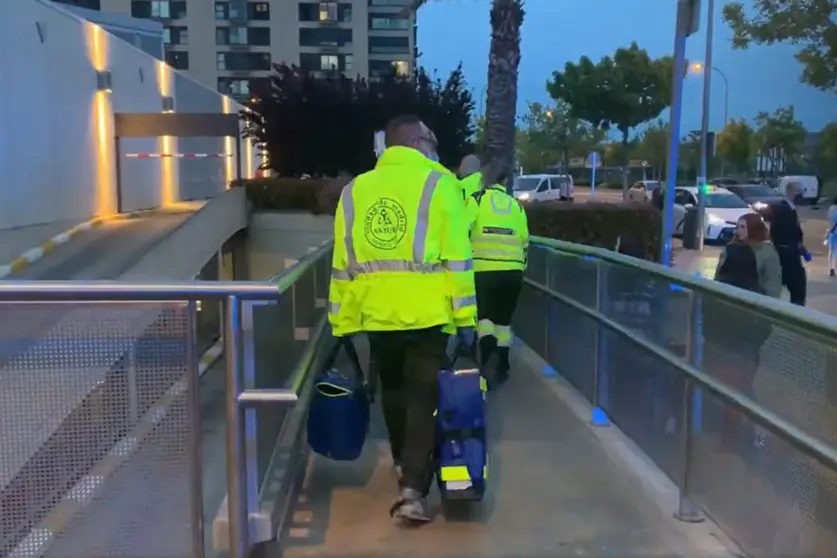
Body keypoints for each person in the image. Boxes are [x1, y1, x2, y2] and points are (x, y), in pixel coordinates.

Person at [328, 114, 476, 523]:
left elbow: (342, 263)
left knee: (393, 393)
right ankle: (413, 488)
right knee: (424, 398)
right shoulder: (440, 184)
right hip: (427, 315)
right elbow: (458, 260)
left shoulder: (354, 191)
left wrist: (341, 322)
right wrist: (466, 322)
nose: (433, 145)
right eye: (429, 138)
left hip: (377, 315)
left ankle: (403, 466)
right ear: (415, 141)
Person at [708, 213, 782, 451]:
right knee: (734, 380)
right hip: (728, 325)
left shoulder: (766, 254)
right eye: (737, 226)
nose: (738, 231)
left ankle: (747, 431)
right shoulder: (731, 250)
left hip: (750, 325)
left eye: (743, 227)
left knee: (742, 380)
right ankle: (737, 431)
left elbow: (773, 292)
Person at [464, 160, 529, 388]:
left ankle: (487, 359)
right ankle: (503, 365)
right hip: (513, 272)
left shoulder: (476, 201)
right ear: (505, 181)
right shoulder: (516, 206)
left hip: (483, 271)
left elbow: (462, 231)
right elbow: (524, 241)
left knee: (484, 318)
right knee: (504, 322)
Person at [770, 182, 807, 305]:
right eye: (798, 192)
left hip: (788, 252)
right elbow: (782, 232)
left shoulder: (790, 209)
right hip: (788, 255)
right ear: (791, 193)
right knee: (798, 286)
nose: (801, 196)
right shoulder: (784, 210)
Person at [825, 197, 837, 277]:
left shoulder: (831, 209)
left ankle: (831, 268)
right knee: (835, 252)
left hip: (832, 231)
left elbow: (829, 219)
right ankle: (833, 268)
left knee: (831, 251)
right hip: (834, 230)